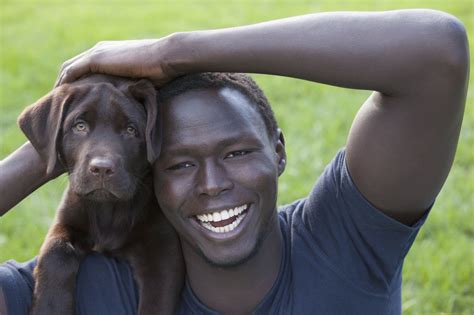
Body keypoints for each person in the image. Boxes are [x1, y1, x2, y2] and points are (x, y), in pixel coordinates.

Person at [0, 9, 469, 315]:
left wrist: (173, 53)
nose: (211, 183)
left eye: (237, 152)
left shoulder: (342, 241)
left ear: (279, 151)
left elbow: (437, 52)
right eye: (180, 164)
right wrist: (61, 138)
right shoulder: (85, 285)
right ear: (150, 175)